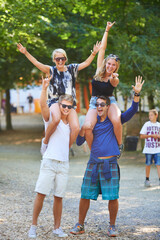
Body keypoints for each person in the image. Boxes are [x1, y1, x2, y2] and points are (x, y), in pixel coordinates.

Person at [70, 76, 144, 237]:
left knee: (113, 197)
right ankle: (80, 224)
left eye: (102, 104)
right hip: (93, 162)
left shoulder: (114, 120)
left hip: (110, 163)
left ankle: (112, 226)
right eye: (97, 104)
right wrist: (83, 128)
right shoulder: (91, 122)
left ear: (108, 106)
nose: (99, 107)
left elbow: (132, 111)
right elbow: (79, 141)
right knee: (85, 195)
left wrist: (136, 95)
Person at [17, 41, 101, 154]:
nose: (60, 61)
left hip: (69, 103)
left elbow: (86, 63)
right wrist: (25, 52)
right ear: (54, 60)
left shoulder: (72, 69)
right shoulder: (51, 70)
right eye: (57, 59)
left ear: (65, 59)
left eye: (62, 58)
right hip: (55, 101)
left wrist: (94, 53)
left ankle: (66, 149)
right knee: (55, 119)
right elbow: (36, 63)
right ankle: (45, 142)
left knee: (76, 128)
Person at [28, 75, 74, 238]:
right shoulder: (51, 119)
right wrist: (44, 88)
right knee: (41, 193)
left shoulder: (70, 124)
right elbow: (43, 105)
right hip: (49, 162)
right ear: (59, 105)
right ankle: (33, 226)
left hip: (63, 164)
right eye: (64, 106)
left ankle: (57, 227)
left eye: (69, 106)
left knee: (59, 197)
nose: (66, 109)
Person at [83, 21, 122, 151]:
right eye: (109, 64)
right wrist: (107, 30)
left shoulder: (114, 78)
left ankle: (119, 145)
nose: (111, 67)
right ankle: (93, 150)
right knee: (87, 126)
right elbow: (103, 49)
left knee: (116, 120)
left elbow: (115, 83)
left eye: (114, 65)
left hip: (109, 101)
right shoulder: (99, 69)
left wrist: (114, 78)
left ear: (116, 67)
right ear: (106, 63)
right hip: (95, 101)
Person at [140, 109, 160, 187]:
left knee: (159, 164)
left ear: (156, 115)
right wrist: (151, 135)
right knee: (148, 164)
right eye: (149, 115)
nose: (150, 117)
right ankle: (147, 179)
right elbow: (141, 136)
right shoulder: (146, 124)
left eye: (151, 115)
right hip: (148, 149)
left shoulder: (159, 125)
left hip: (157, 149)